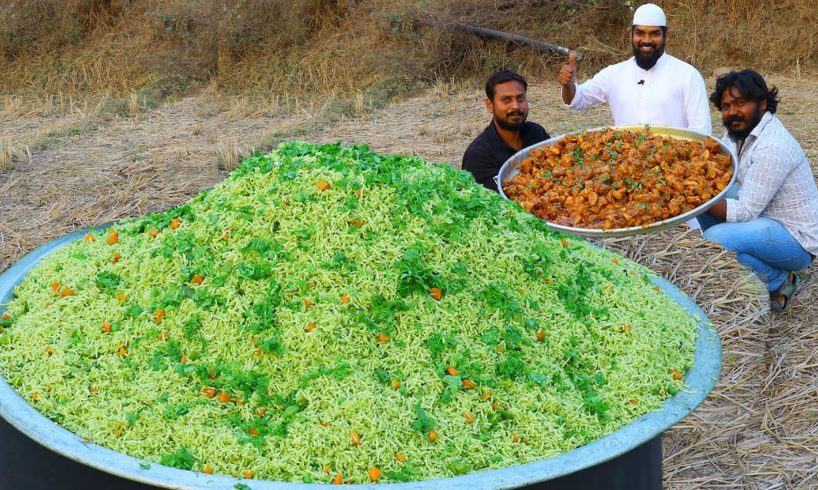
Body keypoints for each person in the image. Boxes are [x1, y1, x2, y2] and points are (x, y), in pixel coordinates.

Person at [698, 69, 818, 311]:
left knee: (714, 239)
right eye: (726, 106)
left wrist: (694, 200)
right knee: (703, 196)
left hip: (796, 238)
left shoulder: (773, 145)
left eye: (740, 103)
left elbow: (745, 212)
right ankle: (735, 261)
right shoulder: (739, 133)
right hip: (765, 218)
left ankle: (781, 280)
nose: (732, 112)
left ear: (762, 103)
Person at [556, 3, 712, 136]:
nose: (646, 40)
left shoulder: (688, 75)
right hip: (626, 164)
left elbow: (702, 133)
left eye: (654, 34)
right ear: (631, 35)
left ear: (665, 36)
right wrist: (568, 85)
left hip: (675, 166)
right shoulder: (614, 74)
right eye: (640, 33)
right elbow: (578, 100)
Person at [463, 69, 550, 192]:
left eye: (520, 99)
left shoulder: (537, 133)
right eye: (506, 100)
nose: (515, 106)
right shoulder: (478, 156)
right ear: (490, 105)